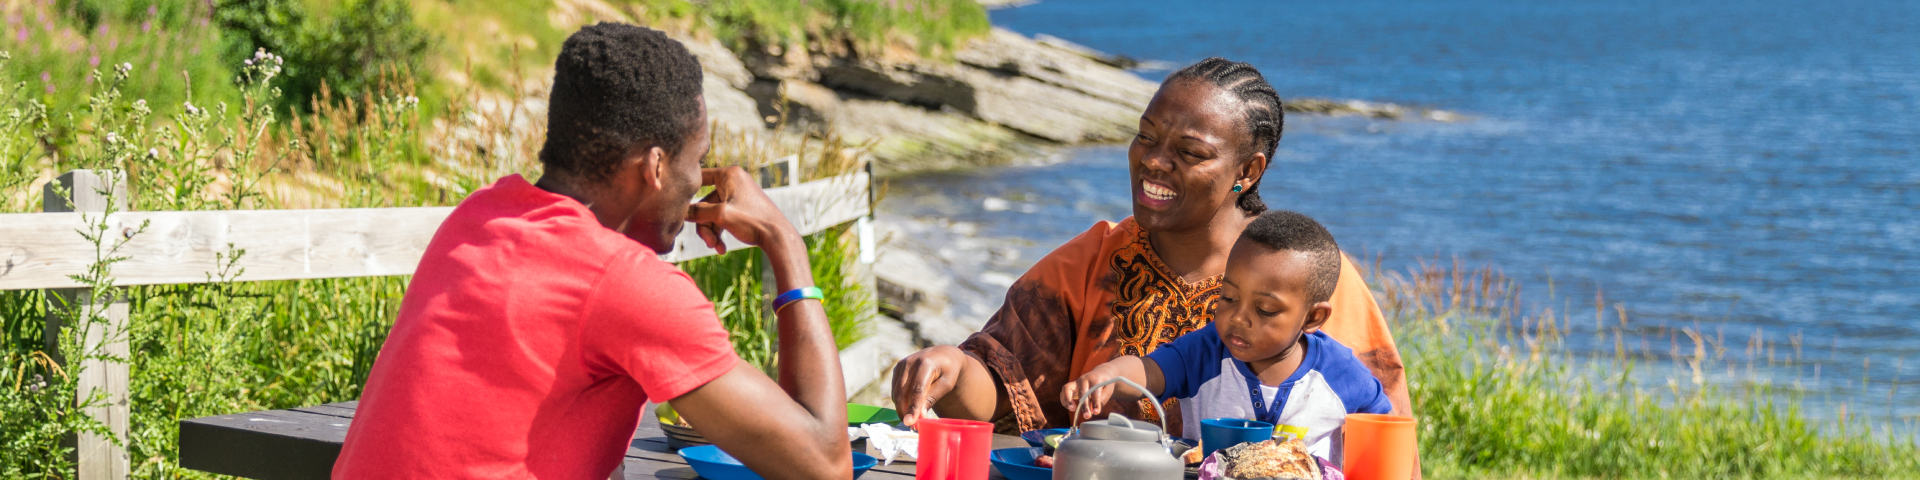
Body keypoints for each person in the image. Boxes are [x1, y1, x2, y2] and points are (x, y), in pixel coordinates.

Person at [334, 23, 851, 480]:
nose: (699, 180)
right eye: (699, 160)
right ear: (655, 168)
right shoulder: (625, 282)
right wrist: (784, 242)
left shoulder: (478, 219)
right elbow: (822, 465)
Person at [890, 58, 1412, 439]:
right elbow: (1009, 385)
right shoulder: (1093, 260)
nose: (1155, 162)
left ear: (1248, 171)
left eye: (1189, 152)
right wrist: (952, 370)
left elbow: (1382, 437)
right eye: (1146, 137)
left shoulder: (1312, 277)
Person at [1062, 210, 1391, 461]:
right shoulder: (1206, 351)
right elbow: (1148, 372)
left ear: (1313, 318)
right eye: (1228, 298)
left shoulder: (1342, 376)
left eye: (1264, 310)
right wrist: (1105, 377)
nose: (1238, 317)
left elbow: (1383, 442)